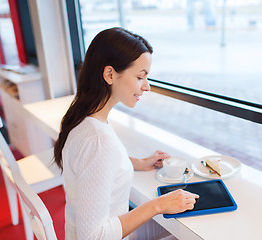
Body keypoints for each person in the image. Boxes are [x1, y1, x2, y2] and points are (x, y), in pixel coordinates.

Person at [53, 27, 199, 240]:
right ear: (110, 74)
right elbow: (93, 236)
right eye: (140, 77)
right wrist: (157, 205)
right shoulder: (98, 141)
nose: (147, 87)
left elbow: (93, 165)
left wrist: (137, 163)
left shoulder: (83, 120)